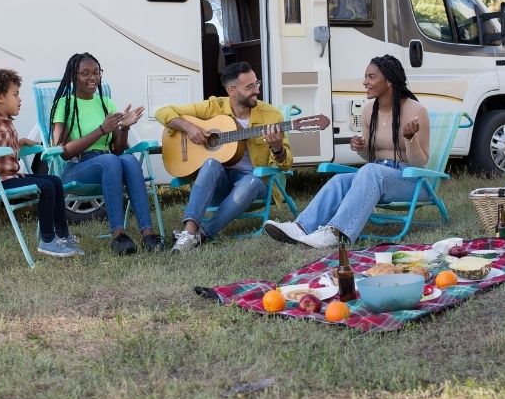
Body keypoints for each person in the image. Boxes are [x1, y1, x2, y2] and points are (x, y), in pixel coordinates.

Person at [264, 54, 430, 248]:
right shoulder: (369, 110)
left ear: (389, 81)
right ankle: (301, 227)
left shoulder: (416, 111)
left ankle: (336, 232)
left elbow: (420, 164)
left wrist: (409, 139)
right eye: (365, 77)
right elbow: (371, 159)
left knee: (370, 171)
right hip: (377, 175)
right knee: (339, 180)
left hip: (411, 181)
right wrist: (361, 148)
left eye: (371, 77)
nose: (365, 82)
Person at [155, 61, 293, 253]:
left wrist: (277, 148)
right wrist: (190, 127)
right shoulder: (214, 107)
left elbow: (286, 165)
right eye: (250, 87)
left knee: (253, 181)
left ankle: (202, 234)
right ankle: (189, 231)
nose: (257, 91)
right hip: (218, 184)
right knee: (211, 162)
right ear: (232, 90)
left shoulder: (271, 115)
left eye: (257, 84)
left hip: (251, 185)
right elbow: (162, 112)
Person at [0, 68, 84, 258]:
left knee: (54, 180)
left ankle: (62, 236)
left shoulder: (6, 122)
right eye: (15, 94)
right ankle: (47, 240)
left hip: (9, 178)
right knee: (47, 186)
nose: (20, 99)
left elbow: (2, 145)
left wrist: (20, 142)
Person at [50, 53, 163, 255]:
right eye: (85, 73)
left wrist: (125, 128)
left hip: (108, 162)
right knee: (111, 161)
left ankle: (148, 234)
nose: (92, 78)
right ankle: (118, 235)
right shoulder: (64, 104)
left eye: (96, 72)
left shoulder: (106, 103)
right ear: (72, 76)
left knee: (128, 159)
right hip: (77, 167)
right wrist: (101, 130)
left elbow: (117, 149)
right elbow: (64, 151)